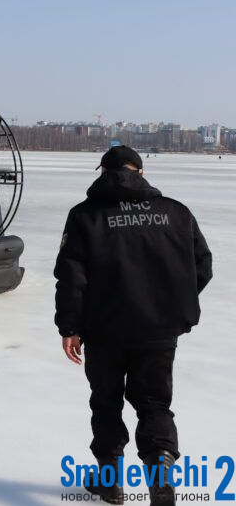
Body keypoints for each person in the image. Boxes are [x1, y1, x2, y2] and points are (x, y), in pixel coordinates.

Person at [54, 145, 212, 506]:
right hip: (158, 331)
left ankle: (110, 482)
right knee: (155, 404)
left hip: (104, 331)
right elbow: (202, 266)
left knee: (106, 403)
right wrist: (170, 304)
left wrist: (69, 327)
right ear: (139, 172)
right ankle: (160, 472)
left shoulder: (85, 215)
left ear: (102, 172)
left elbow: (71, 277)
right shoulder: (176, 213)